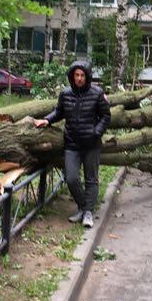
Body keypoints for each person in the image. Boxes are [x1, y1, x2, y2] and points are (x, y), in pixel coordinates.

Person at [33, 60, 111, 228]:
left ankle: (88, 212)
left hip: (91, 145)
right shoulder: (66, 94)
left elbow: (106, 116)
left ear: (88, 76)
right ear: (72, 76)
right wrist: (46, 120)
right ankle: (84, 207)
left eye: (82, 75)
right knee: (71, 178)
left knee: (91, 179)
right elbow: (59, 112)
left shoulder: (97, 93)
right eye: (76, 75)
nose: (79, 78)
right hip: (72, 144)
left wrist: (96, 132)